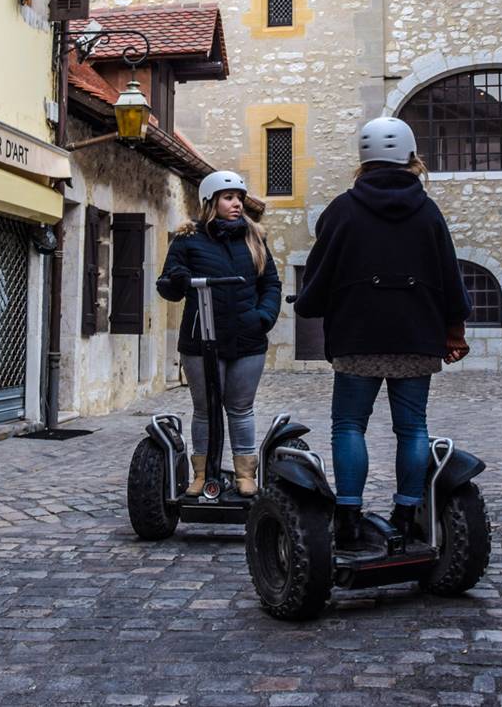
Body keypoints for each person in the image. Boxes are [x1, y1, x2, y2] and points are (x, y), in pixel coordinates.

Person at [293, 117, 471, 550]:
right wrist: (454, 328)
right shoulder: (428, 211)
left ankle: (349, 518)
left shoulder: (343, 208)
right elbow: (449, 273)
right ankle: (406, 513)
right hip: (416, 334)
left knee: (349, 425)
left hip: (358, 334)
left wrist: (308, 304)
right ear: (412, 158)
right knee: (413, 429)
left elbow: (319, 271)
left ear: (363, 161)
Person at [156, 170, 282, 496]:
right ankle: (202, 474)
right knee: (206, 408)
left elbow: (270, 284)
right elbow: (168, 286)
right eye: (229, 198)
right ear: (211, 202)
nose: (237, 203)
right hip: (201, 339)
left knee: (240, 408)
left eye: (239, 197)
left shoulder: (254, 238)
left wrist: (263, 317)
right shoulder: (187, 238)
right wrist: (178, 278)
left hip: (247, 338)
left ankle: (245, 475)